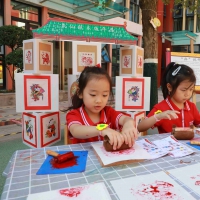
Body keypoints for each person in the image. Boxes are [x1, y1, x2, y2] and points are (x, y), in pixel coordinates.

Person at [66, 66, 138, 150]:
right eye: (93, 95)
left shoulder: (109, 112)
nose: (99, 100)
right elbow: (75, 130)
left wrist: (128, 124)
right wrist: (101, 130)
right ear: (80, 93)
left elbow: (126, 119)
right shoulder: (74, 114)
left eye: (104, 95)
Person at [137, 62, 200, 134]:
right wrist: (158, 116)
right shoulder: (161, 108)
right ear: (169, 87)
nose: (188, 94)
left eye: (191, 89)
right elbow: (140, 127)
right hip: (169, 144)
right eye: (184, 90)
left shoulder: (191, 107)